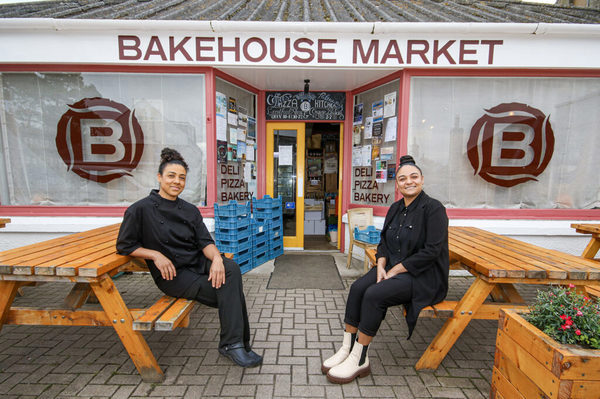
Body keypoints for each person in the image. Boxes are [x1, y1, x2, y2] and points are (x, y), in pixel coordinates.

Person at [116, 148, 262, 368]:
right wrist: (155, 255)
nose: (177, 181)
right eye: (171, 176)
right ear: (159, 177)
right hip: (173, 274)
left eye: (181, 177)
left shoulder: (190, 210)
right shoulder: (140, 210)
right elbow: (125, 246)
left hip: (195, 261)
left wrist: (218, 260)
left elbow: (205, 242)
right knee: (230, 292)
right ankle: (236, 344)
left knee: (230, 268)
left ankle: (235, 344)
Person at [322, 155, 449, 384]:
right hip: (390, 267)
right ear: (397, 185)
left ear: (422, 180)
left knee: (374, 295)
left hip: (421, 275)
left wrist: (397, 269)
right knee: (358, 288)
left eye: (413, 177)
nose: (408, 182)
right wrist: (380, 265)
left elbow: (432, 251)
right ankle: (347, 347)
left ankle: (360, 358)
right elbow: (384, 242)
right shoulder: (395, 208)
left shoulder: (434, 209)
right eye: (402, 179)